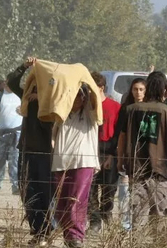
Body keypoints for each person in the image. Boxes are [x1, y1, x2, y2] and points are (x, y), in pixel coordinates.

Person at [116, 72, 167, 235]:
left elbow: (122, 137)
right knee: (158, 215)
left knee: (137, 215)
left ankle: (136, 242)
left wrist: (120, 159)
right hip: (160, 170)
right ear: (163, 90)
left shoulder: (131, 110)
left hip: (137, 169)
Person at [8, 57, 54, 247]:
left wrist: (42, 100)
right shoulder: (26, 97)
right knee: (28, 192)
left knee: (46, 193)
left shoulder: (52, 100)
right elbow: (11, 81)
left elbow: (49, 125)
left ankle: (46, 231)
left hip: (45, 153)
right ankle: (36, 231)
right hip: (26, 150)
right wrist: (24, 66)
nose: (34, 87)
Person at [51, 83, 100, 248]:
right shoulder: (62, 114)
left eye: (80, 95)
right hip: (61, 162)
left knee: (76, 201)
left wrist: (83, 80)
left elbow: (96, 99)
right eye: (73, 95)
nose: (77, 99)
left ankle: (76, 237)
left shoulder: (90, 113)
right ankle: (69, 238)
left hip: (84, 162)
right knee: (62, 205)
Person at [87, 72, 122, 233]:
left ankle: (106, 214)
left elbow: (119, 133)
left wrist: (112, 155)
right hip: (89, 150)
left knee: (109, 188)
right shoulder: (86, 106)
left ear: (101, 87)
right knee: (90, 189)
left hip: (109, 149)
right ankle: (94, 221)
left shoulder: (115, 106)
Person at [116, 78, 146, 231]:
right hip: (128, 154)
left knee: (140, 193)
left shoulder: (148, 109)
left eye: (141, 89)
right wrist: (119, 156)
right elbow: (120, 134)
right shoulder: (126, 109)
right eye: (135, 89)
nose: (138, 92)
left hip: (144, 156)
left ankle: (136, 224)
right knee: (125, 191)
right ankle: (125, 224)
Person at [0, 80, 22, 195]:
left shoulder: (20, 94)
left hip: (17, 132)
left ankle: (16, 186)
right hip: (1, 133)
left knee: (14, 160)